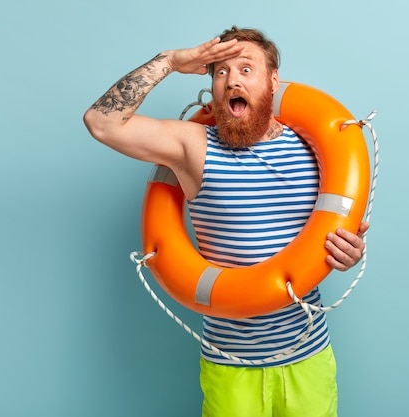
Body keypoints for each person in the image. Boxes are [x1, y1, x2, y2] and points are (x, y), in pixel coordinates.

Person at [83, 26, 369, 417]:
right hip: (229, 365)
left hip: (309, 356)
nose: (232, 78)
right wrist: (168, 61)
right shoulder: (193, 148)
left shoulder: (314, 150)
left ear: (273, 81)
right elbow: (102, 122)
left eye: (246, 69)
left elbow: (330, 234)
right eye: (220, 71)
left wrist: (346, 252)